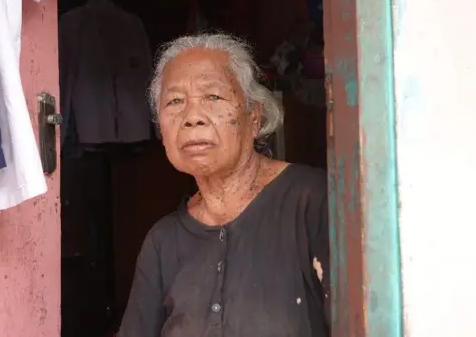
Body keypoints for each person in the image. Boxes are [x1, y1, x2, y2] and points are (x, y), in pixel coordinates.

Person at [117, 33, 330, 337]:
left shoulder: (312, 202)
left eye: (213, 97)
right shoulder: (163, 242)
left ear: (253, 116)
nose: (192, 117)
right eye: (175, 101)